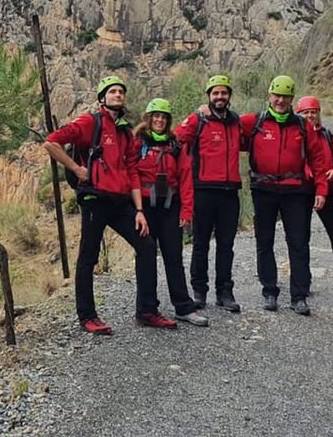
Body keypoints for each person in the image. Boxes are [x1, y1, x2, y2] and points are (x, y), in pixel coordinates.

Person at [43, 76, 176, 334]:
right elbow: (51, 142)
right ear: (102, 97)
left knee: (147, 245)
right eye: (113, 91)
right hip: (94, 199)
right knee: (88, 256)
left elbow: (133, 171)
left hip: (121, 202)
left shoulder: (125, 131)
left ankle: (147, 310)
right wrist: (76, 169)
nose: (118, 95)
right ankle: (87, 316)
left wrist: (139, 211)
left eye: (121, 92)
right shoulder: (89, 122)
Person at [239, 77, 328, 315]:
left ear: (291, 99)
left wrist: (321, 189)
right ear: (269, 96)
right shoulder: (254, 122)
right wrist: (201, 112)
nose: (280, 101)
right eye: (276, 96)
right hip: (263, 190)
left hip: (295, 191)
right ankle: (269, 291)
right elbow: (225, 127)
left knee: (298, 243)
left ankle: (299, 296)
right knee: (264, 242)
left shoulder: (302, 125)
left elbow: (318, 159)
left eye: (285, 97)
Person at [134, 98, 209, 327]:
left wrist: (187, 211)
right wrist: (136, 210)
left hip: (170, 207)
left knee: (174, 257)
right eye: (156, 116)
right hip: (145, 208)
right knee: (145, 258)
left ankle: (183, 307)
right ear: (148, 118)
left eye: (164, 117)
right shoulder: (137, 144)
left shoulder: (176, 145)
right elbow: (131, 175)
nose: (159, 120)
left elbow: (186, 178)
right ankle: (146, 309)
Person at [175, 75, 243, 313]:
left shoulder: (236, 122)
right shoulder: (199, 119)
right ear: (209, 96)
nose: (220, 97)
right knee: (201, 244)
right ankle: (199, 292)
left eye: (223, 93)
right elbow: (176, 139)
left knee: (227, 245)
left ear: (229, 96)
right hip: (203, 190)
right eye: (215, 93)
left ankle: (225, 292)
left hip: (230, 192)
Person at [295, 95, 333, 298]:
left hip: (326, 191)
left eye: (313, 111)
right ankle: (303, 283)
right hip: (302, 192)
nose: (310, 115)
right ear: (299, 114)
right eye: (305, 112)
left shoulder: (327, 136)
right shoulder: (295, 134)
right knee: (301, 239)